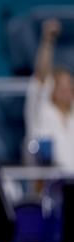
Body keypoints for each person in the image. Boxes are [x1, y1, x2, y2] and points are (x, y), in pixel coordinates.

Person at [24, 19, 74, 171]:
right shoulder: (40, 109)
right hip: (51, 183)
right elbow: (42, 75)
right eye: (61, 85)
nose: (66, 89)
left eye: (70, 85)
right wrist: (47, 40)